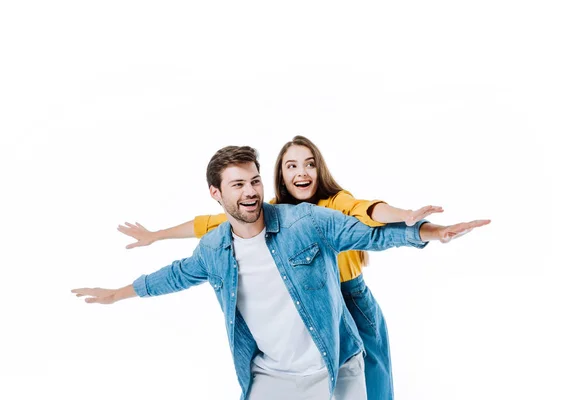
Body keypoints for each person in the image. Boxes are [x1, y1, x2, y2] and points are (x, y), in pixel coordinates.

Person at [73, 145, 490, 400]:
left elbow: (370, 231)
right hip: (271, 375)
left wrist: (427, 231)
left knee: (377, 377)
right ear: (217, 193)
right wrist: (117, 292)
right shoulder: (214, 248)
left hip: (335, 364)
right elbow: (173, 275)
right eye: (237, 185)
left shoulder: (306, 221)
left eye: (253, 181)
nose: (250, 191)